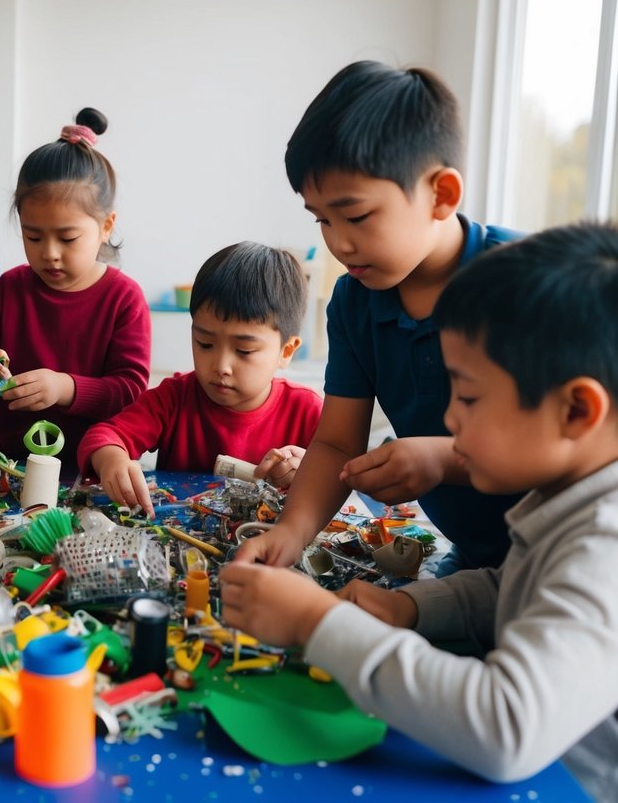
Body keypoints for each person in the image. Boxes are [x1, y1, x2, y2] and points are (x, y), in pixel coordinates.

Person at [220, 223, 618, 799]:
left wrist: (317, 623)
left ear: (577, 411)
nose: (450, 420)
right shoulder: (570, 497)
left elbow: (506, 728)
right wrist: (410, 606)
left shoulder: (605, 546)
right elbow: (513, 591)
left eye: (471, 398)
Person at [236, 60, 523, 574]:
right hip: (475, 560)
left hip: (567, 554)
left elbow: (580, 442)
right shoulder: (354, 301)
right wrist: (290, 534)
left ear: (441, 195)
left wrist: (444, 460)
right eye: (321, 218)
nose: (338, 242)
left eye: (357, 216)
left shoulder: (528, 281)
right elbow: (335, 442)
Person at [0, 108, 151, 473]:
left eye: (67, 238)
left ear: (106, 226)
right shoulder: (10, 289)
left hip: (86, 472)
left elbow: (129, 390)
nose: (50, 253)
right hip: (4, 469)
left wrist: (64, 388)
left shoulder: (123, 298)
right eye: (34, 236)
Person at [77, 242, 323, 517]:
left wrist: (309, 474)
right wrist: (112, 458)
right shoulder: (174, 398)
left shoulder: (306, 410)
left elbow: (338, 477)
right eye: (205, 344)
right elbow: (103, 436)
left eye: (244, 351)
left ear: (286, 351)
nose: (221, 366)